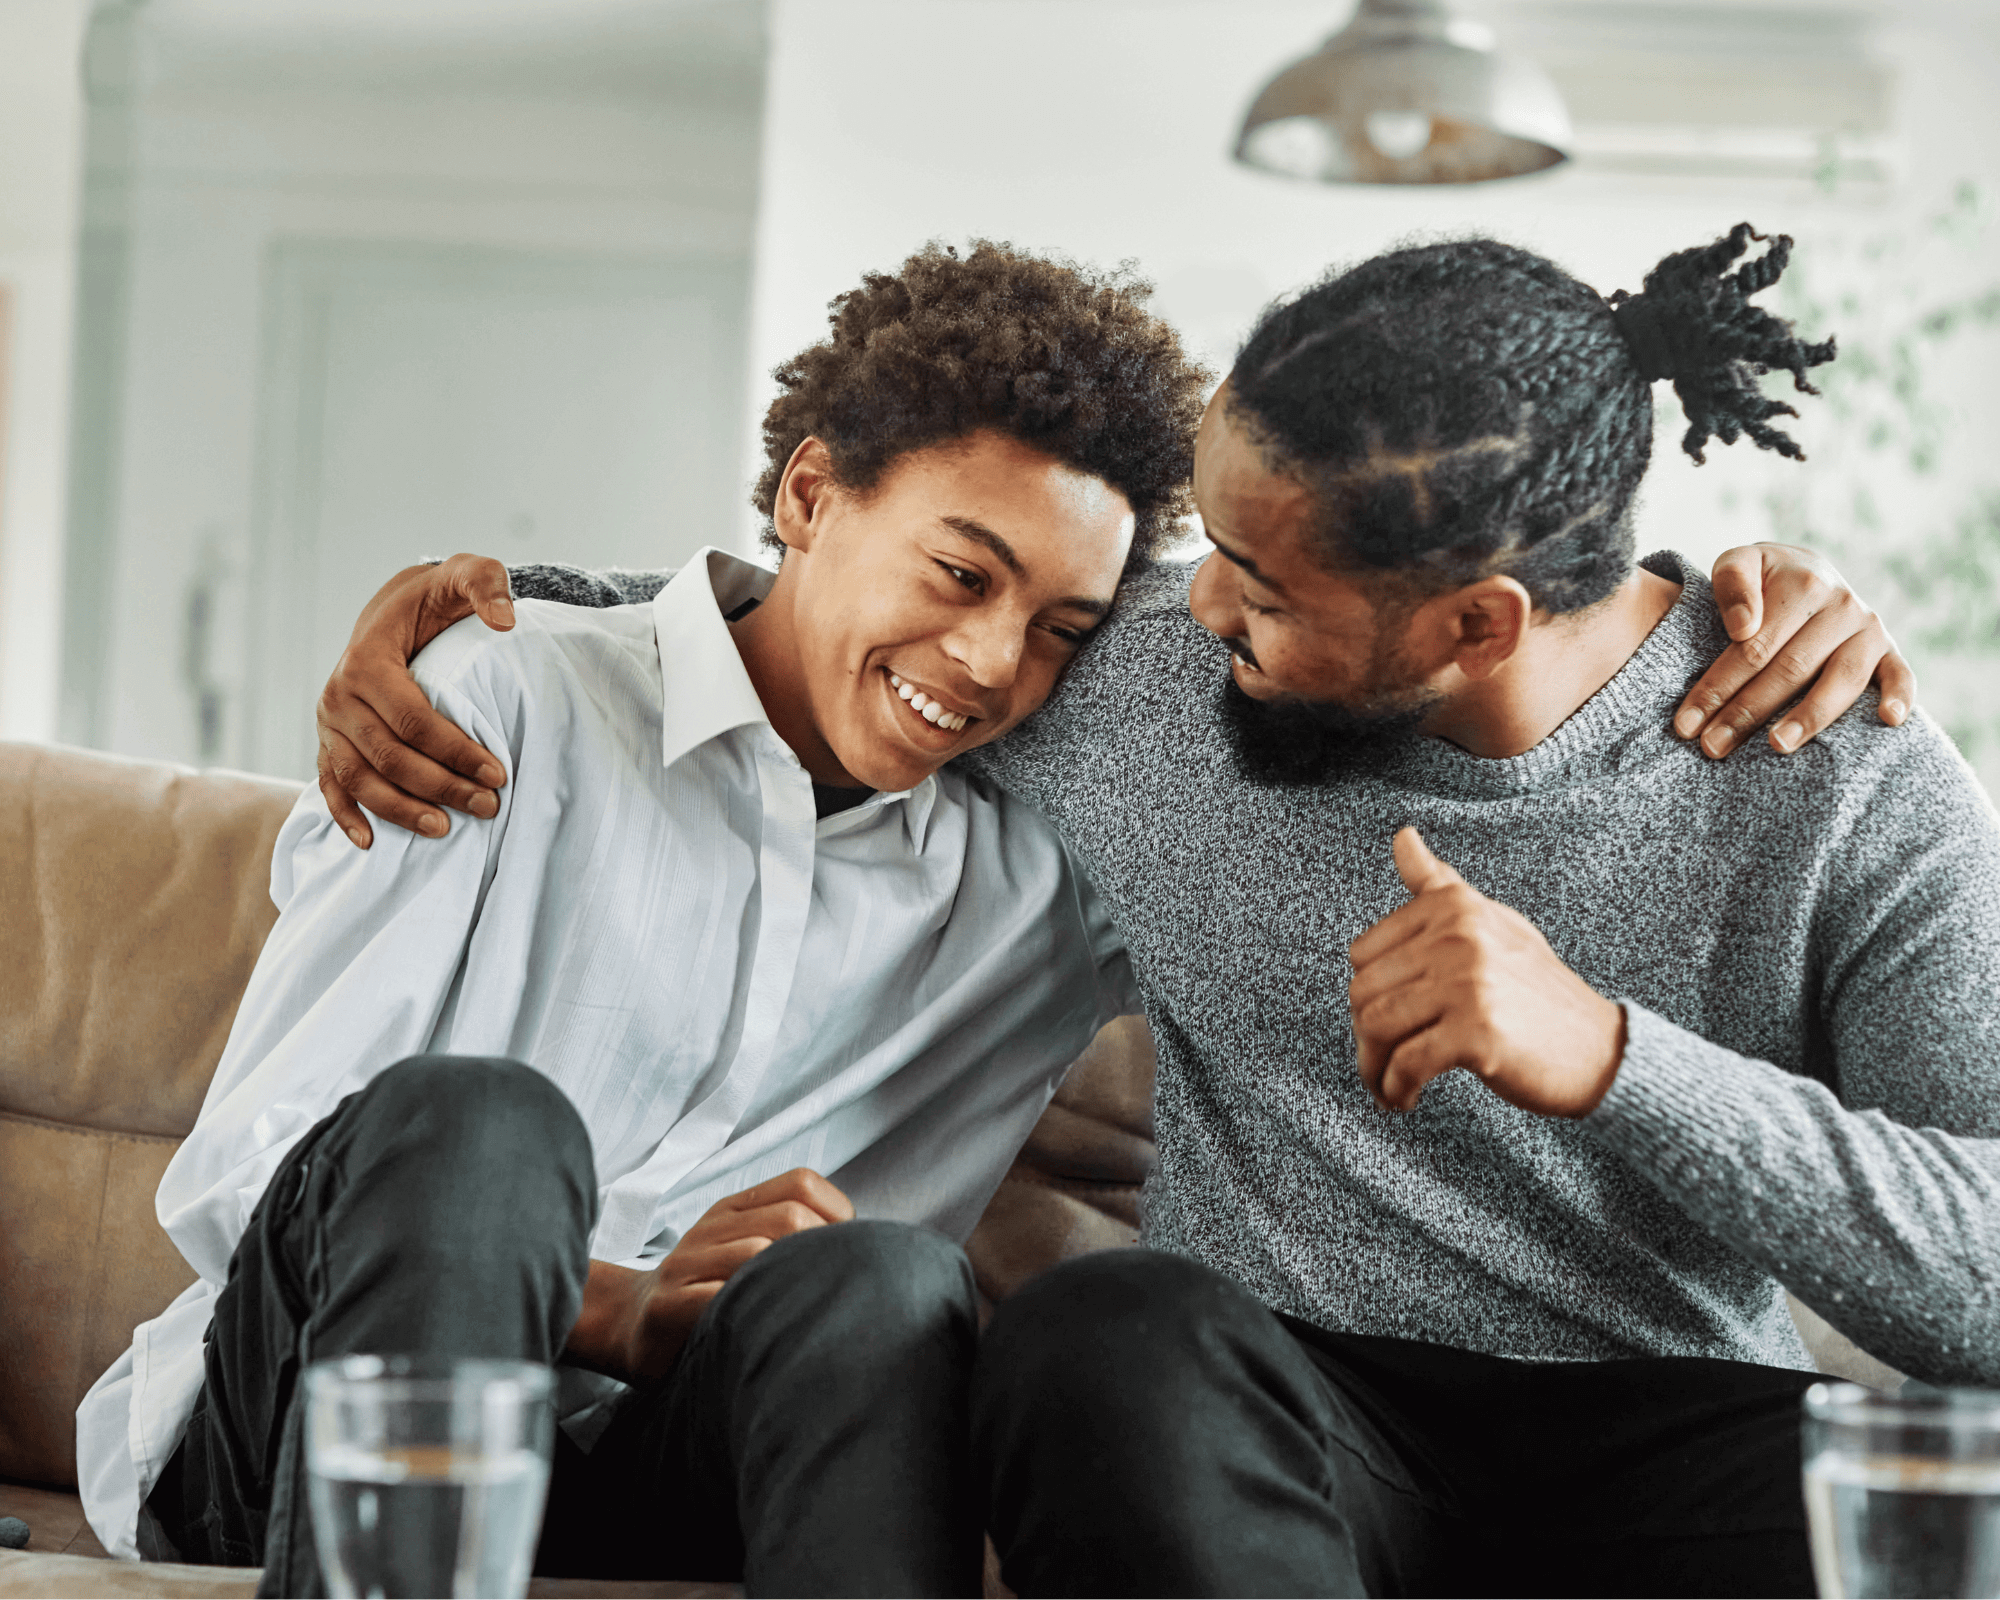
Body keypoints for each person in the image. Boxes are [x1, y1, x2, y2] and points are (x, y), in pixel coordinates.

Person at [319, 225, 1994, 1599]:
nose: (1191, 611)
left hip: (1669, 1434)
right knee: (1093, 1328)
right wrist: (494, 612)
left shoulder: (1839, 769)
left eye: (1262, 588)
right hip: (1269, 1417)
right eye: (1210, 549)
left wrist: (1621, 1059)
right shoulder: (1149, 685)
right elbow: (849, 620)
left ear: (1473, 626)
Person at [76, 241, 1206, 1596]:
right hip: (310, 1429)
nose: (992, 664)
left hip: (671, 1471)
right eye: (962, 575)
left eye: (1060, 628)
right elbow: (243, 1173)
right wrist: (615, 1308)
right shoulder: (498, 704)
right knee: (484, 1126)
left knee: (885, 1280)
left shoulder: (1058, 881)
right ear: (809, 492)